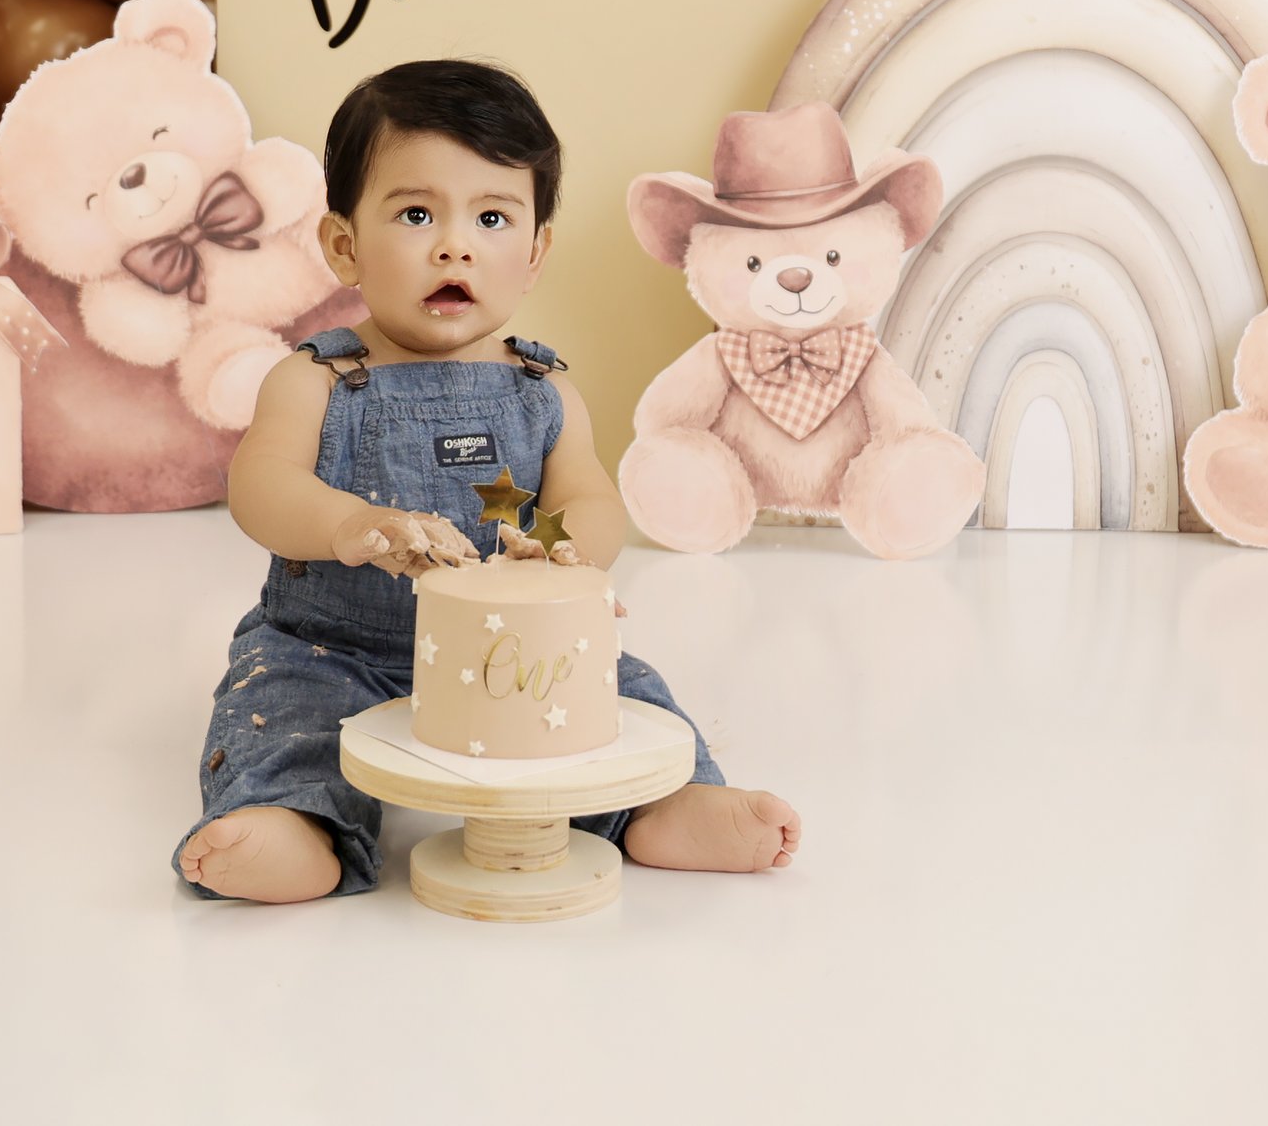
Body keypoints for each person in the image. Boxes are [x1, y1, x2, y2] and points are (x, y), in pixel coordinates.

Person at [174, 58, 801, 902]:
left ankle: (666, 804)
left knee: (626, 693)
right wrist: (350, 525)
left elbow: (587, 497)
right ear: (344, 243)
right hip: (335, 648)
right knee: (281, 717)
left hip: (517, 649)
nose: (453, 244)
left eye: (494, 216)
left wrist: (566, 549)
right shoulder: (318, 379)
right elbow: (261, 484)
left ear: (536, 251)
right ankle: (296, 822)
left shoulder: (542, 392)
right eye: (417, 212)